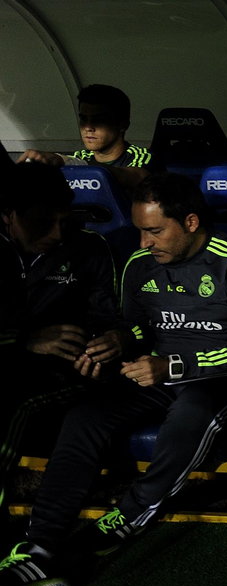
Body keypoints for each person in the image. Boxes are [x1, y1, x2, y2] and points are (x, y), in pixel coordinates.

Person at [0, 173, 227, 586]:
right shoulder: (138, 265)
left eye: (154, 230)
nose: (144, 242)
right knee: (84, 417)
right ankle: (40, 545)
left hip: (224, 378)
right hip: (156, 371)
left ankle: (129, 515)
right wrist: (118, 342)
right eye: (141, 230)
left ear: (189, 221)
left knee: (195, 412)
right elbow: (134, 328)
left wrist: (175, 364)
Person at [0, 162, 123, 511]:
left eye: (64, 221)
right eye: (42, 221)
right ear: (9, 215)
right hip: (10, 355)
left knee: (12, 402)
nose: (56, 233)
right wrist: (25, 339)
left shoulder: (89, 248)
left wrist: (106, 347)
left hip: (63, 370)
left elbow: (109, 318)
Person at [18, 84, 154, 192]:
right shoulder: (78, 157)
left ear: (122, 125)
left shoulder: (142, 157)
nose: (88, 127)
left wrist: (66, 162)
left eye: (99, 120)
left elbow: (135, 177)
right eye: (84, 119)